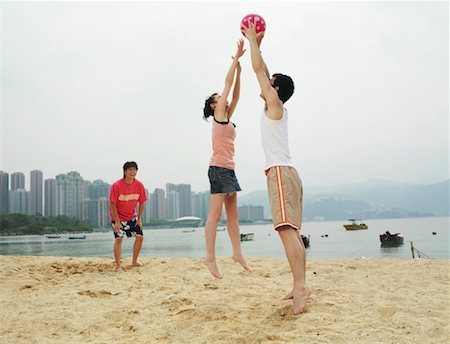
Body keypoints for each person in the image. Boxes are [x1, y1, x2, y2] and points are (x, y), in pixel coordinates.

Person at [244, 22, 310, 314]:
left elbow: (258, 71)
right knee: (292, 231)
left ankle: (300, 286)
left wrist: (250, 41)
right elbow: (263, 69)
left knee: (286, 231)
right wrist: (258, 44)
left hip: (281, 174)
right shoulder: (276, 106)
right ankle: (300, 283)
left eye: (270, 81)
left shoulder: (275, 104)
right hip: (287, 172)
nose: (265, 82)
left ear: (276, 88)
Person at [202, 39, 250, 279]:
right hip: (218, 169)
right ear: (213, 105)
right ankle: (209, 258)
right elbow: (228, 84)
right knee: (215, 214)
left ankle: (237, 253)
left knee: (233, 216)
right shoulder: (218, 115)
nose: (225, 100)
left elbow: (237, 94)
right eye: (220, 98)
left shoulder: (228, 117)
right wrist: (236, 58)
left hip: (229, 169)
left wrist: (240, 69)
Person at [110, 161, 148, 272]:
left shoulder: (139, 185)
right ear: (125, 172)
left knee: (140, 237)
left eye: (134, 170)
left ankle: (134, 261)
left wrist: (139, 219)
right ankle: (118, 265)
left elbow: (141, 203)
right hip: (118, 217)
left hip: (131, 217)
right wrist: (117, 221)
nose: (133, 172)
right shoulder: (116, 185)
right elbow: (112, 204)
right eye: (130, 170)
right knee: (119, 239)